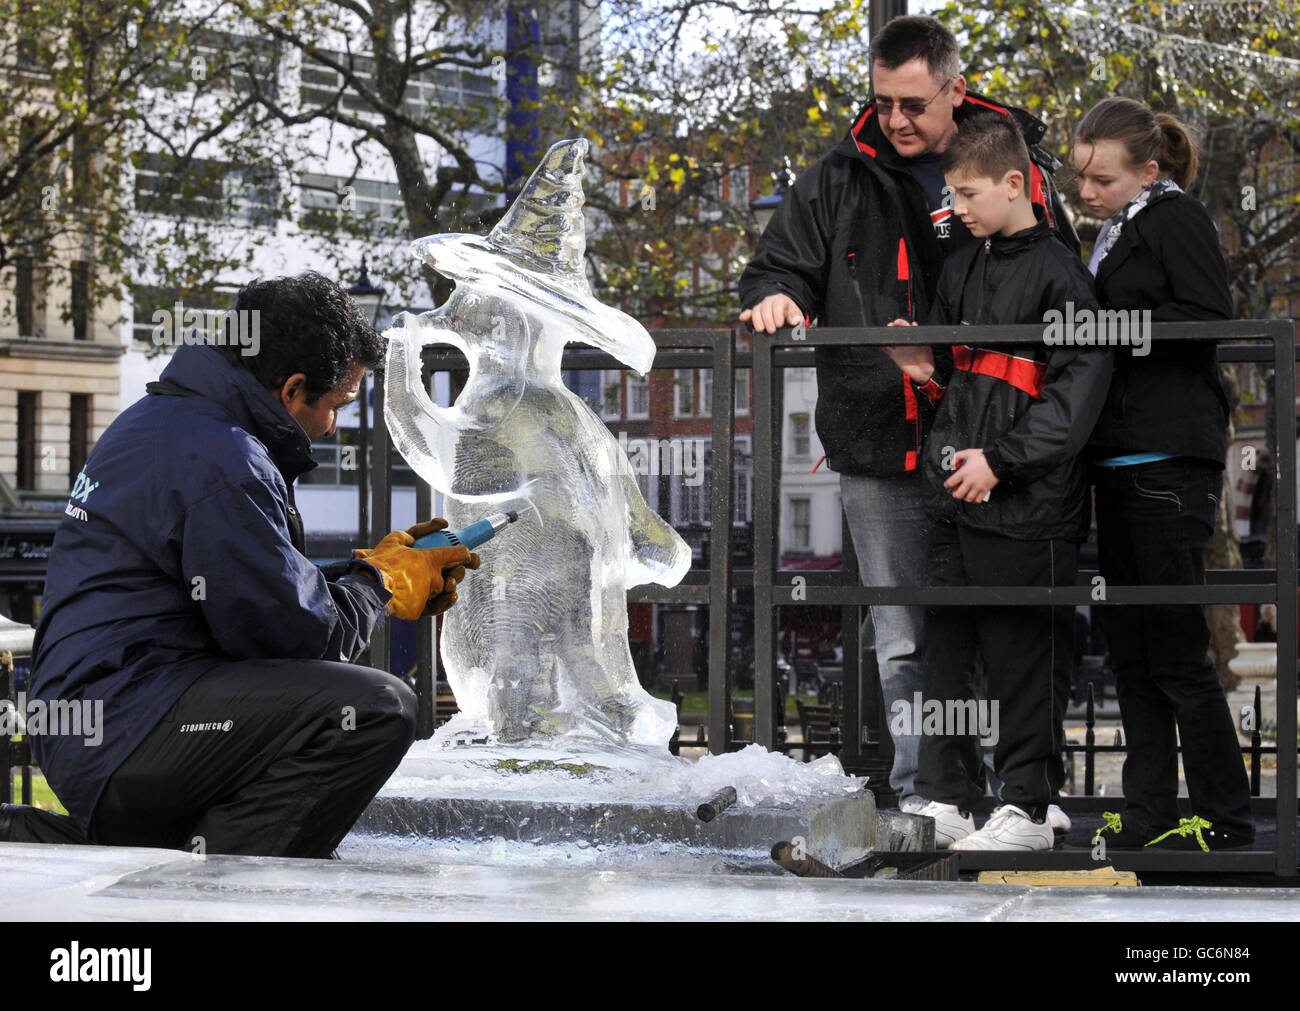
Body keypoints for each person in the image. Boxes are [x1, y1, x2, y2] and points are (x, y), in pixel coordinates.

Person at [2, 272, 477, 858]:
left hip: (103, 721)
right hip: (129, 728)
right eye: (337, 405)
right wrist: (379, 585)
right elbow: (295, 638)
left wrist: (360, 571)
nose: (333, 427)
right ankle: (220, 886)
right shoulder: (224, 457)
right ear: (293, 388)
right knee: (375, 708)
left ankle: (118, 840)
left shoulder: (166, 423)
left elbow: (246, 591)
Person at [737, 14, 1078, 810]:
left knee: (1009, 628)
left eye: (914, 104)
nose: (895, 120)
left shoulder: (1014, 160)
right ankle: (928, 797)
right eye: (883, 102)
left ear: (956, 92)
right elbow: (772, 267)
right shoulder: (835, 177)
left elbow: (1056, 278)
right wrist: (776, 294)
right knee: (903, 640)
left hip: (994, 441)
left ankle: (1020, 796)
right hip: (880, 435)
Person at [882, 112, 1111, 850]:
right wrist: (925, 370)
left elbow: (1074, 400)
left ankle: (1030, 809)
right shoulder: (963, 266)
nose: (957, 209)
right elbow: (964, 379)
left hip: (1028, 504)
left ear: (1016, 184)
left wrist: (999, 461)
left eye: (969, 193)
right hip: (960, 494)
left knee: (1024, 660)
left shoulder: (1064, 275)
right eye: (950, 194)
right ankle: (948, 798)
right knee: (947, 651)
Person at [1074, 98, 1255, 851]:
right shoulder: (1117, 228)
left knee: (1177, 650)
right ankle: (1147, 811)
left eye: (1103, 179)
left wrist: (1113, 333)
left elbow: (1206, 314)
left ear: (1148, 171)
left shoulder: (1173, 216)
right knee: (1134, 651)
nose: (1087, 191)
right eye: (1080, 174)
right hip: (1120, 456)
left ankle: (1224, 817)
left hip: (1167, 458)